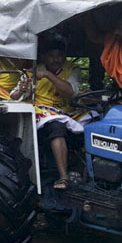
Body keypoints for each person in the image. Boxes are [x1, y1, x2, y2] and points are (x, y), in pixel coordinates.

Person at [18, 36, 81, 190]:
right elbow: (15, 96)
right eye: (52, 56)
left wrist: (47, 75)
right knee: (57, 127)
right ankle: (63, 177)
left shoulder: (72, 69)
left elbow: (71, 92)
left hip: (68, 113)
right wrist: (22, 89)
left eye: (59, 56)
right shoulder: (31, 71)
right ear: (43, 57)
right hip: (43, 115)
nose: (56, 60)